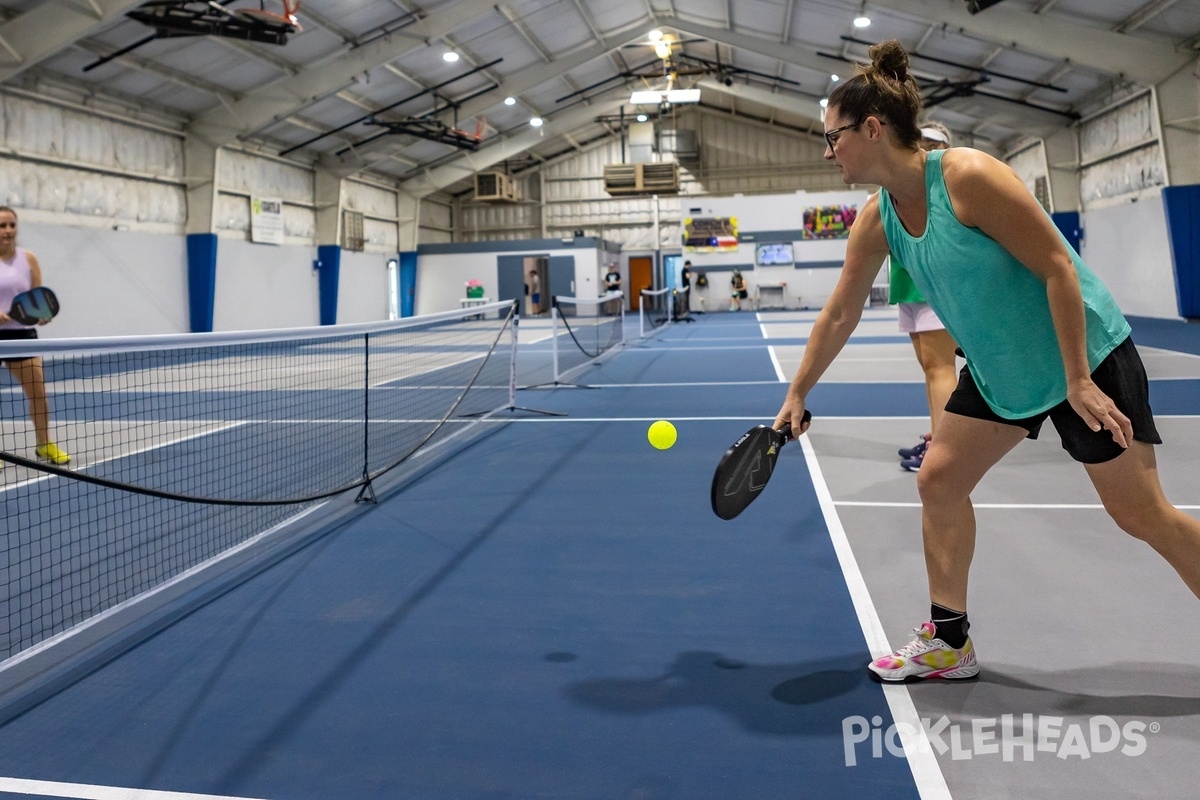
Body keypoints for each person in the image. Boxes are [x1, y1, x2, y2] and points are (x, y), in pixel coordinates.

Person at [774, 40, 1200, 683]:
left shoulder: (967, 177)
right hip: (1004, 371)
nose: (827, 152)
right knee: (939, 479)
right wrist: (796, 394)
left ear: (872, 127)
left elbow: (1058, 267)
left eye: (832, 138)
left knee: (1142, 516)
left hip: (1084, 355)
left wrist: (1079, 378)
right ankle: (949, 642)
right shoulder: (877, 220)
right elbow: (840, 314)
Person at [891, 121, 959, 472]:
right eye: (922, 141)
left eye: (933, 143)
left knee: (940, 366)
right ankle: (938, 437)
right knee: (929, 368)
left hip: (933, 283)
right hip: (908, 282)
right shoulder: (903, 185)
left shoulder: (948, 183)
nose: (926, 147)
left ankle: (945, 452)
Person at [0, 206, 70, 467]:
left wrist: (42, 314)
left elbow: (37, 298)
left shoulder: (28, 258)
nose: (8, 231)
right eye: (2, 226)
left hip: (22, 335)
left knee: (38, 393)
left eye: (11, 225)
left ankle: (44, 445)